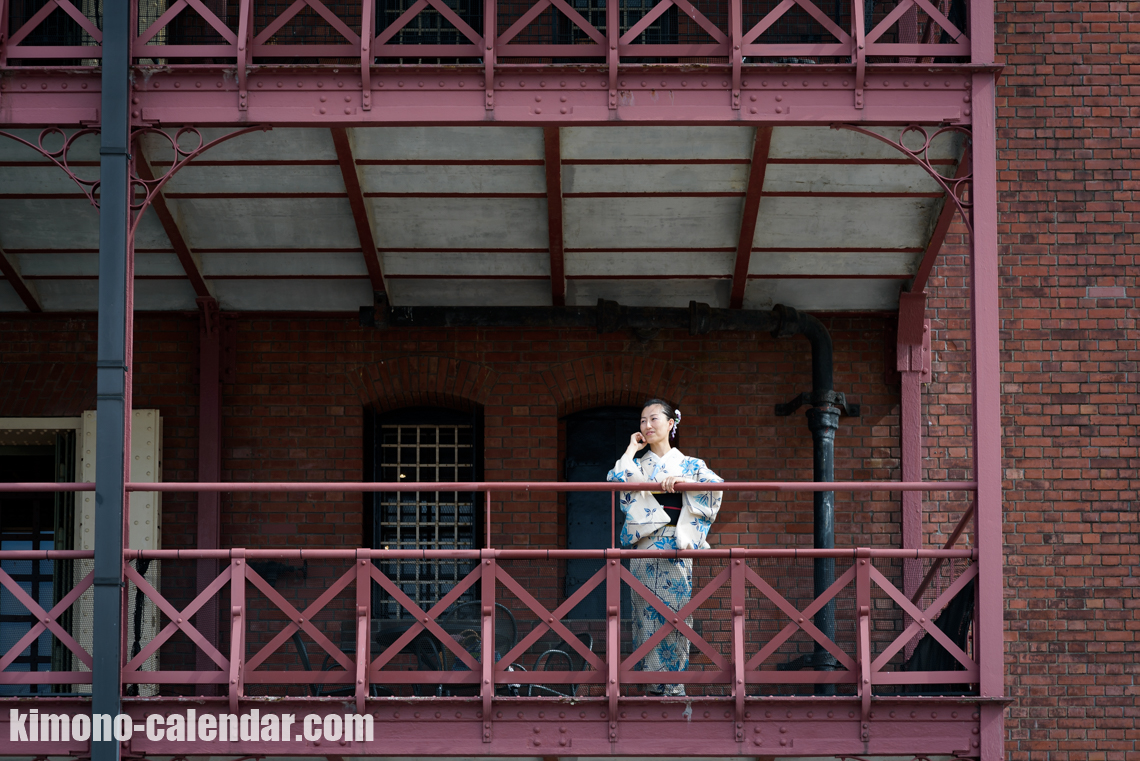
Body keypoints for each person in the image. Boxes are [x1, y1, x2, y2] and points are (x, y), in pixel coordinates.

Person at [606, 398, 723, 696]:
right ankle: (653, 686)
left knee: (676, 614)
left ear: (671, 424)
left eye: (654, 419)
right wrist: (632, 449)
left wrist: (683, 481)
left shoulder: (691, 465)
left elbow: (715, 487)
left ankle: (673, 686)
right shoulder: (636, 462)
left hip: (676, 545)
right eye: (643, 421)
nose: (647, 425)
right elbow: (616, 478)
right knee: (644, 615)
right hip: (645, 547)